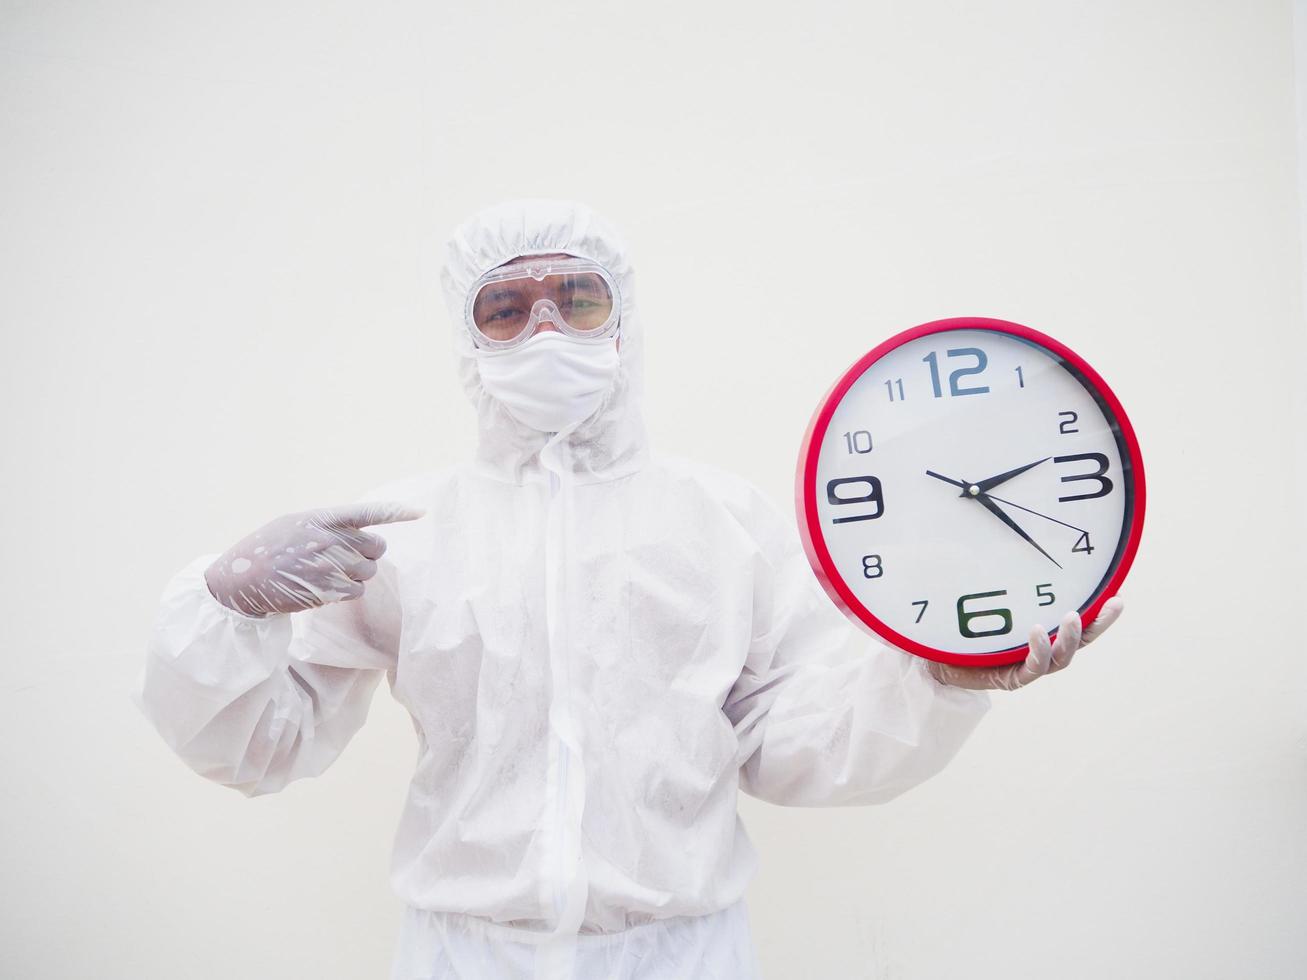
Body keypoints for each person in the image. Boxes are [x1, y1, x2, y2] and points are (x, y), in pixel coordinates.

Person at [133, 199, 1123, 979]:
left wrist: (937, 678)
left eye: (579, 296)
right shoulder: (406, 530)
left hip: (680, 954)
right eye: (506, 307)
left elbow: (790, 742)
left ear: (625, 317)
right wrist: (228, 607)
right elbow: (265, 745)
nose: (546, 326)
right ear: (467, 335)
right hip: (463, 954)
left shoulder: (716, 519)